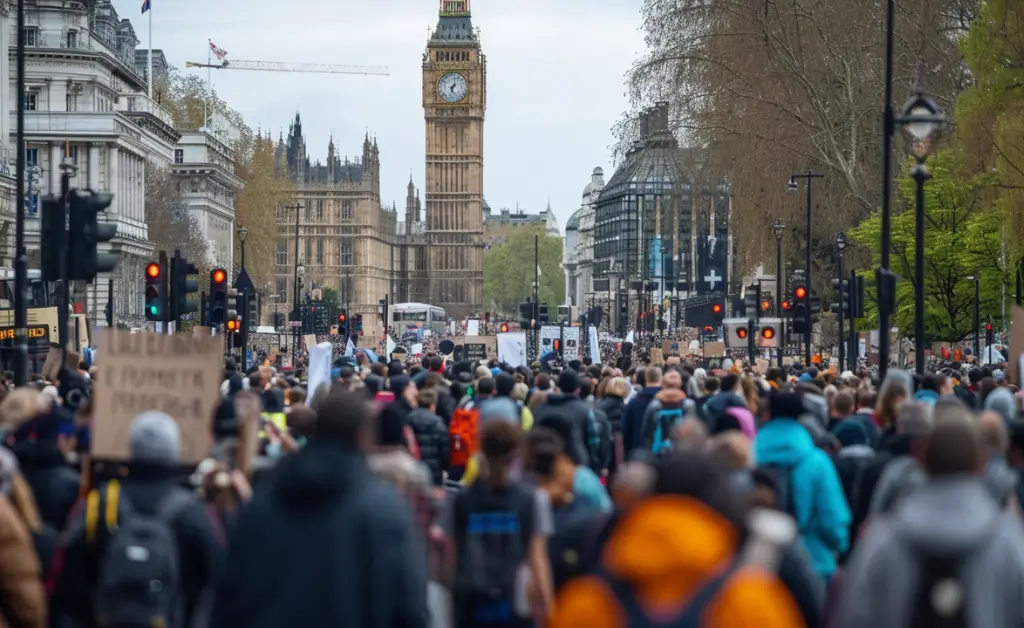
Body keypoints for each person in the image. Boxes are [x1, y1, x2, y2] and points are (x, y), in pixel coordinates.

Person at [210, 385, 427, 628]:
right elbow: (406, 602)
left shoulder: (266, 495)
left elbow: (231, 589)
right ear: (362, 436)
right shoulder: (382, 507)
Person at [834, 409, 1024, 628]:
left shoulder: (881, 541)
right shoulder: (1008, 543)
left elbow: (853, 614)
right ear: (982, 464)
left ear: (922, 459)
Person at [51, 411, 224, 628]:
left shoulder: (101, 503)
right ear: (175, 451)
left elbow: (68, 575)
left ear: (131, 448)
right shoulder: (193, 512)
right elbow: (218, 579)